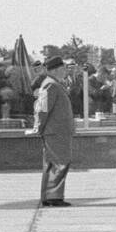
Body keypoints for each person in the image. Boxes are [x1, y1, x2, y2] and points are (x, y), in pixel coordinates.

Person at [27, 57, 74, 204]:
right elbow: (43, 109)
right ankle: (53, 197)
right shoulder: (51, 85)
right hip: (55, 131)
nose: (66, 71)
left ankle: (51, 196)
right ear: (56, 69)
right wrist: (39, 127)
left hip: (57, 131)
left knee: (56, 163)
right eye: (64, 68)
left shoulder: (53, 84)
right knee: (58, 163)